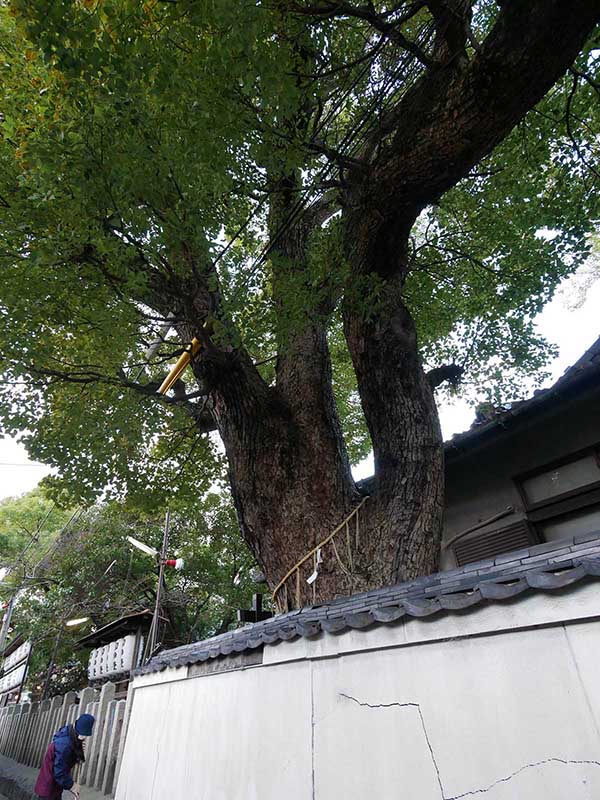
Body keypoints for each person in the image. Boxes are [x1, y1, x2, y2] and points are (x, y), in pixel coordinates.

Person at [34, 713, 95, 799]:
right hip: (49, 786)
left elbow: (70, 756)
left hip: (54, 786)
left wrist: (79, 749)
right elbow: (59, 772)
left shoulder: (69, 734)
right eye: (83, 735)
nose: (84, 737)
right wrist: (72, 786)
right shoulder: (64, 744)